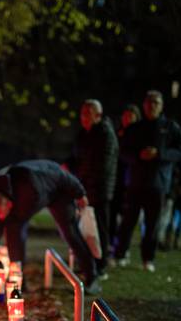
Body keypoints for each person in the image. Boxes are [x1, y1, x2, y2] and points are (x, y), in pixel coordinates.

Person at [0, 159, 100, 293]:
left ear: (7, 204)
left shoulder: (28, 184)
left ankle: (92, 276)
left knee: (70, 233)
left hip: (57, 190)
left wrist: (80, 193)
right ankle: (19, 284)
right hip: (28, 201)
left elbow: (61, 176)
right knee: (13, 236)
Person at [114, 90, 181, 271]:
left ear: (161, 106)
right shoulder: (135, 128)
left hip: (158, 183)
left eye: (156, 103)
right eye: (149, 102)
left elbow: (178, 152)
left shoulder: (170, 128)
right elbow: (123, 152)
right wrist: (138, 156)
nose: (152, 106)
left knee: (152, 223)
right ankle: (120, 254)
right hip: (136, 181)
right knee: (128, 220)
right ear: (144, 105)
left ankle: (148, 259)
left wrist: (160, 154)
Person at [68, 99, 119, 280]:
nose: (84, 118)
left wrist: (85, 185)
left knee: (100, 229)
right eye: (82, 114)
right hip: (84, 189)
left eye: (88, 114)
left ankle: (101, 265)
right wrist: (68, 165)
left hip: (99, 189)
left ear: (98, 115)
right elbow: (76, 157)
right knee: (85, 229)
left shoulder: (106, 135)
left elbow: (102, 166)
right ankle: (89, 264)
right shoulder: (83, 134)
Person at [110, 104, 141, 248]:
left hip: (131, 179)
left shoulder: (140, 135)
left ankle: (123, 245)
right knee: (112, 212)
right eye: (125, 116)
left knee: (127, 216)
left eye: (131, 116)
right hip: (115, 178)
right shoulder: (117, 134)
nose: (128, 119)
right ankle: (111, 242)